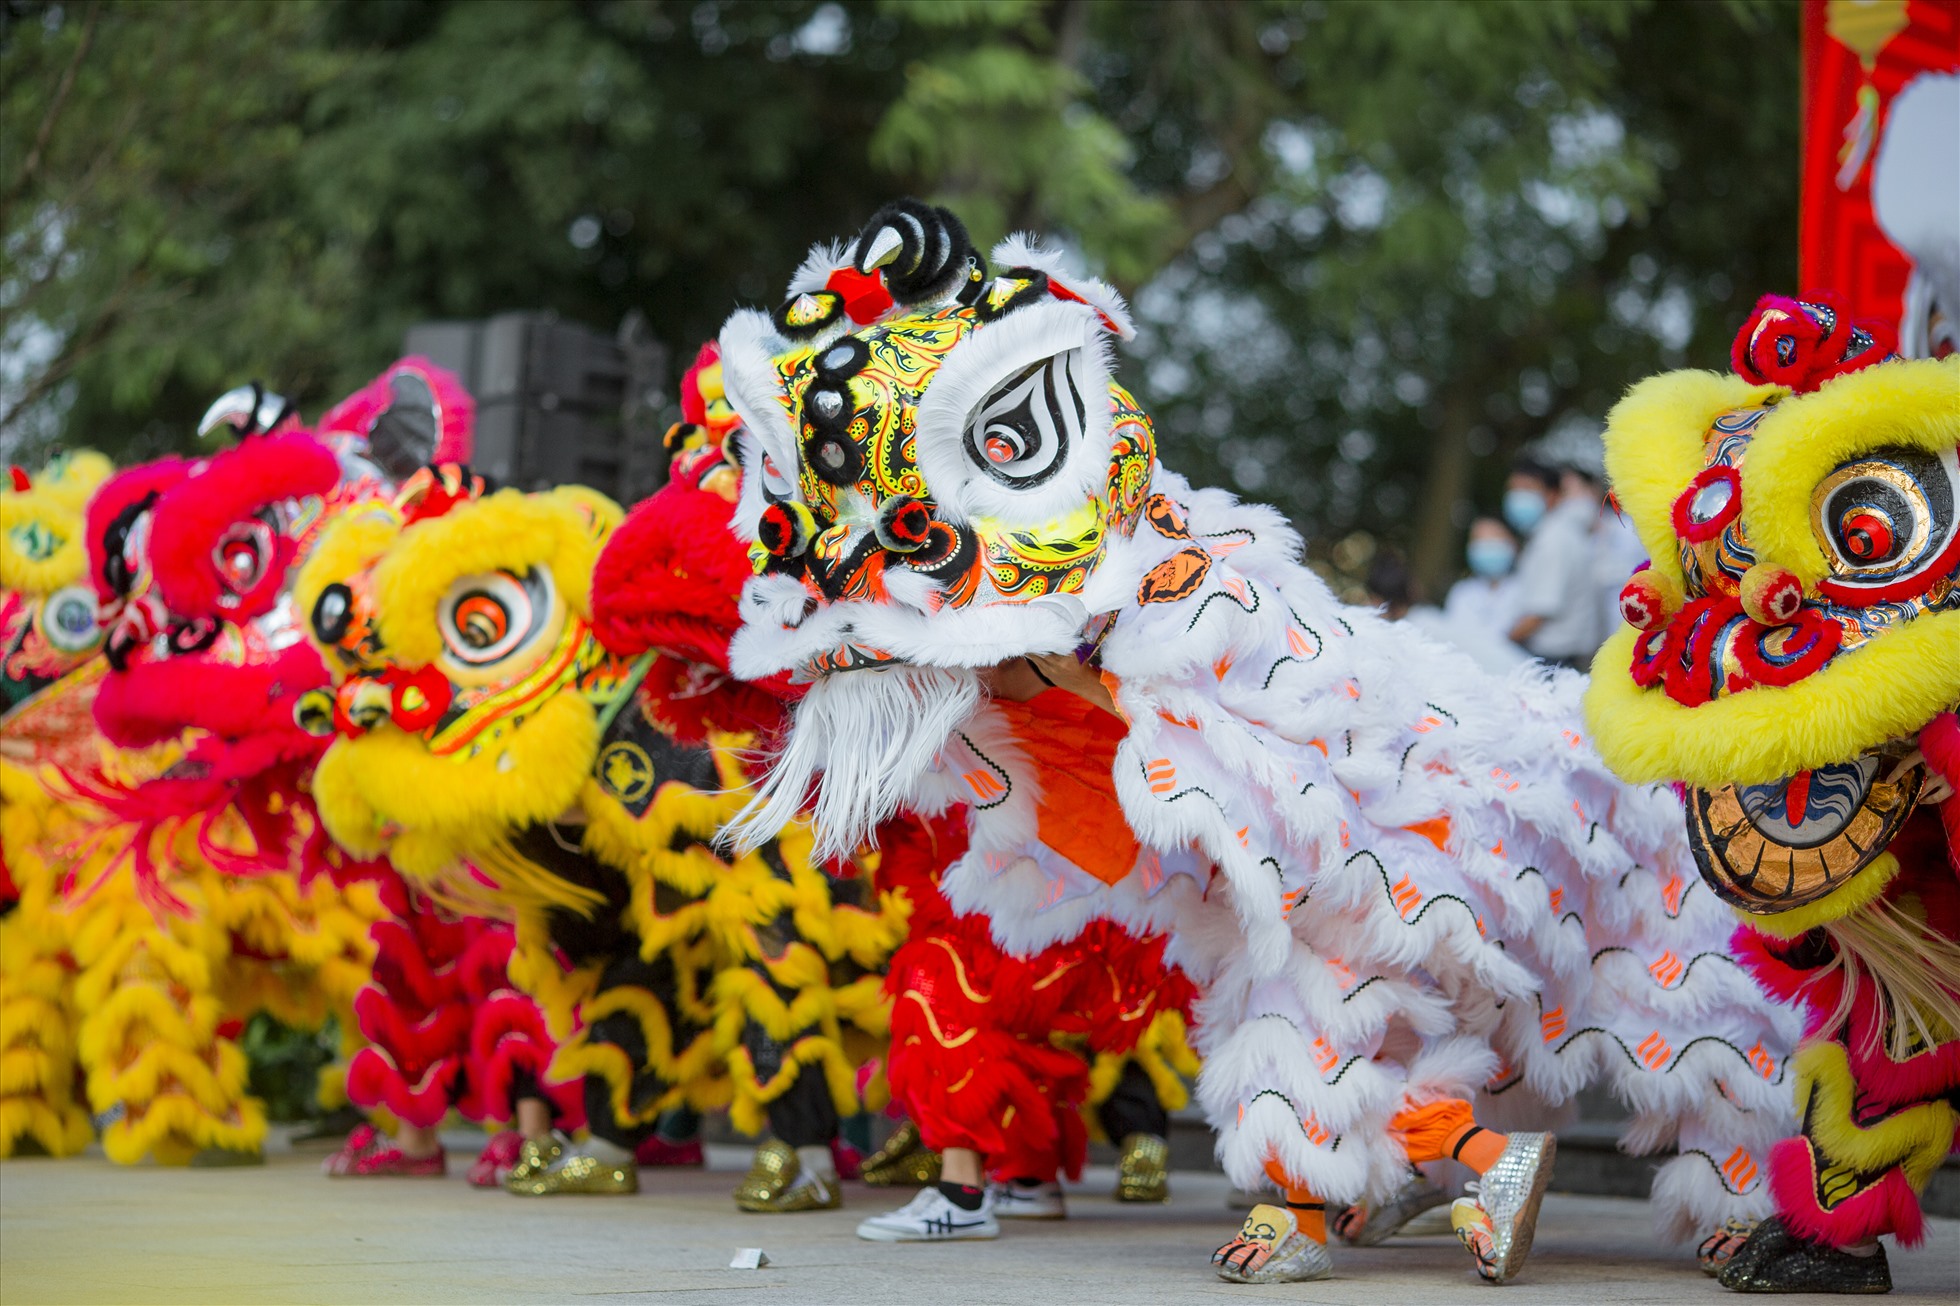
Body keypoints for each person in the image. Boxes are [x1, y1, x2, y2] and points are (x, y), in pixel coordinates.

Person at [1504, 457, 1603, 669]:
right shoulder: (1551, 533)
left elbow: (1540, 612)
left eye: (1527, 488)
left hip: (1555, 659)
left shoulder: (1554, 540)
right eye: (1513, 489)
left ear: (1553, 495)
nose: (1518, 497)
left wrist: (1499, 642)